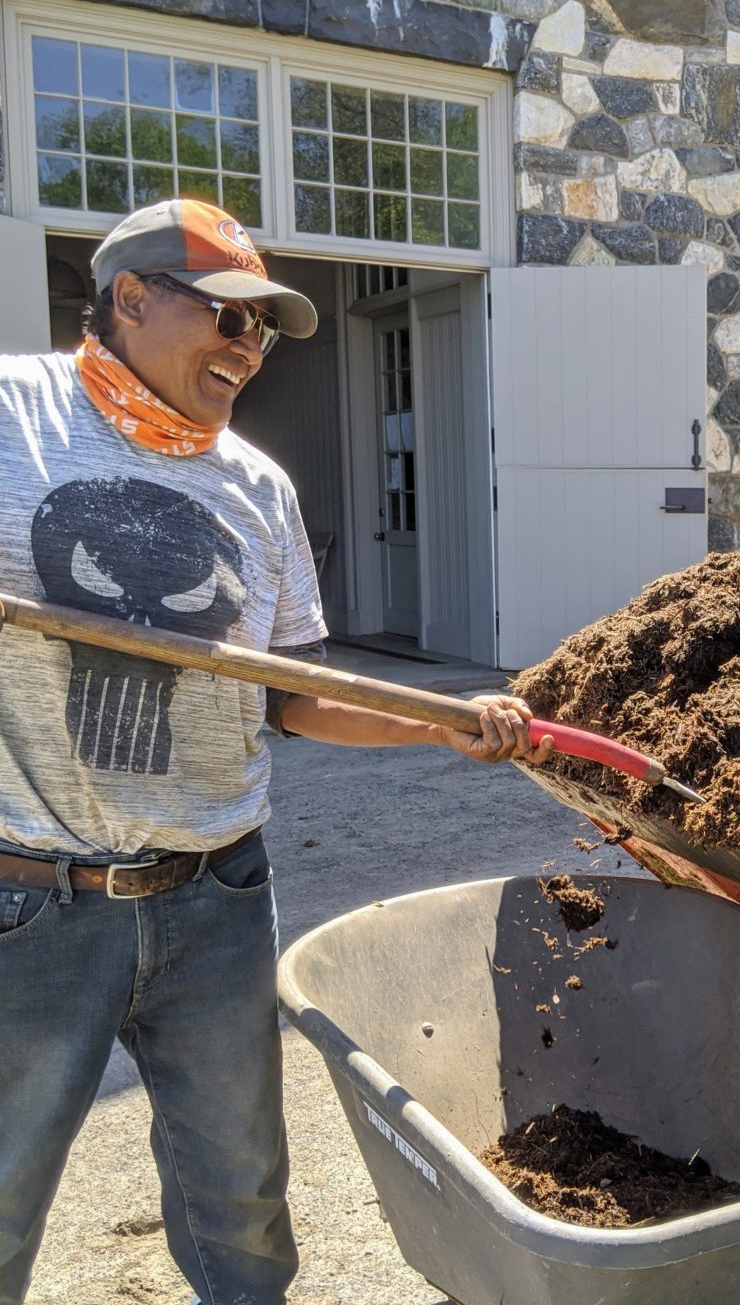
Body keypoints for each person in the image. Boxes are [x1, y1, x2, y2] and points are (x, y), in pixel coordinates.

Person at [0, 198, 551, 1305]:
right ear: (131, 297)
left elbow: (296, 700)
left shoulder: (256, 485)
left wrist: (449, 721)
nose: (248, 350)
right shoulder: (10, 414)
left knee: (242, 1196)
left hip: (217, 894)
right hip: (34, 896)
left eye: (263, 330)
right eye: (228, 317)